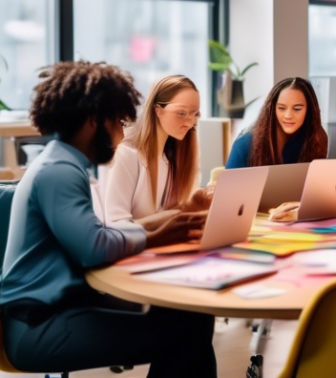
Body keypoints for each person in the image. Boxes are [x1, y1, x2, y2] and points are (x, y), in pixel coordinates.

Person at [1, 61, 215, 377]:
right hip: (39, 326)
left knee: (192, 316)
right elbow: (94, 247)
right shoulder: (59, 172)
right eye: (118, 122)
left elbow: (94, 235)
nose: (121, 134)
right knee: (188, 333)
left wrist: (168, 222)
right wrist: (157, 236)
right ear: (93, 122)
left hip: (58, 309)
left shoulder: (63, 164)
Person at [102, 75, 209, 226]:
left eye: (194, 114)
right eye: (181, 113)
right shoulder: (127, 155)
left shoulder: (174, 157)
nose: (190, 122)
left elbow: (170, 216)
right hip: (132, 248)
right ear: (158, 110)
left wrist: (195, 206)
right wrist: (176, 216)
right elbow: (115, 225)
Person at [226, 77, 328, 169]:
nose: (288, 116)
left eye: (297, 109)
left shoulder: (317, 138)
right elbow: (228, 187)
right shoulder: (245, 144)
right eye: (281, 108)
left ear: (309, 110)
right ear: (272, 109)